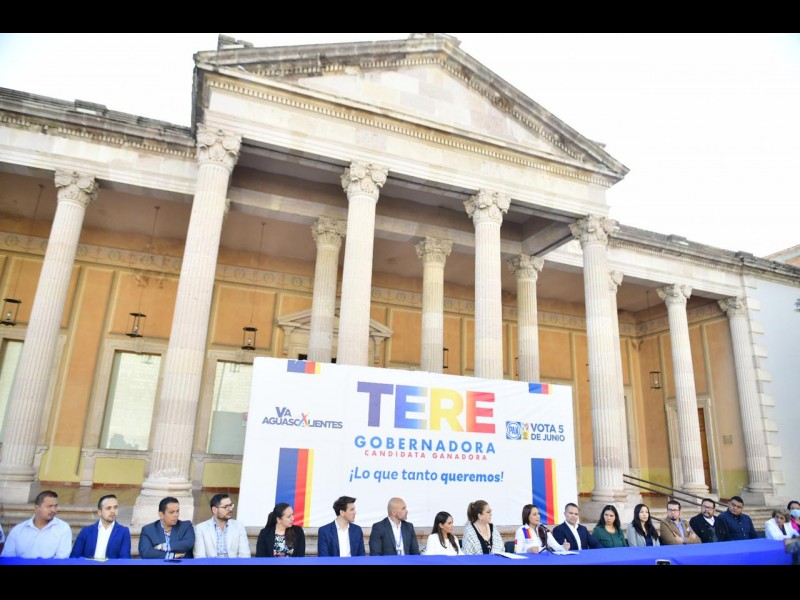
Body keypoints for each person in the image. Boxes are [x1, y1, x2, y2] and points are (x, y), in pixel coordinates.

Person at [0, 490, 72, 558]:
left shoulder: (63, 529)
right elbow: (7, 557)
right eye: (49, 506)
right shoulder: (18, 530)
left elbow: (61, 559)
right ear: (36, 508)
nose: (53, 510)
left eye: (55, 506)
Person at [69, 494, 131, 559]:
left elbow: (125, 559)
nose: (113, 511)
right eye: (108, 508)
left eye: (115, 507)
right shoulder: (86, 531)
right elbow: (74, 557)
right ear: (99, 512)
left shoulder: (123, 532)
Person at [193, 493, 251, 558]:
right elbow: (200, 557)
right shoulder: (201, 528)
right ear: (214, 510)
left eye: (231, 505)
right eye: (225, 507)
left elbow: (245, 555)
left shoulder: (239, 526)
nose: (230, 509)